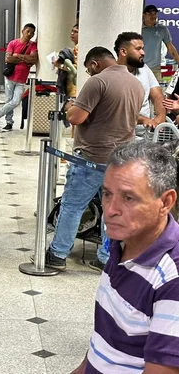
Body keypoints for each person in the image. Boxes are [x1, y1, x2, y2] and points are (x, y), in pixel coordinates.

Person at [70, 140, 179, 374]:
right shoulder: (124, 242)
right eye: (107, 194)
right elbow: (105, 341)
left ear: (166, 202)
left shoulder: (172, 279)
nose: (110, 210)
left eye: (128, 198)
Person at [44, 46, 144, 272]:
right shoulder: (136, 84)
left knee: (72, 206)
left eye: (89, 69)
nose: (89, 74)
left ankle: (58, 254)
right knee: (112, 208)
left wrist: (71, 106)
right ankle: (106, 257)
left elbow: (77, 118)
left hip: (92, 157)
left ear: (94, 64)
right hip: (121, 159)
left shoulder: (98, 82)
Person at [114, 32, 166, 138]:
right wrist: (143, 120)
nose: (143, 53)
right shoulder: (111, 76)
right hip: (120, 136)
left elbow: (157, 96)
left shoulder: (144, 69)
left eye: (143, 48)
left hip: (144, 134)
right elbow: (118, 112)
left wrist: (160, 116)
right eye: (138, 49)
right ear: (123, 51)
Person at [0, 23, 38, 132]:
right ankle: (9, 122)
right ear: (23, 31)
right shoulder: (13, 43)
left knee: (16, 101)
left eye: (32, 33)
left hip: (22, 79)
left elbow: (33, 59)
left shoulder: (33, 45)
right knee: (8, 99)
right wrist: (25, 59)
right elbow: (8, 59)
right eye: (28, 31)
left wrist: (17, 56)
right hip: (10, 76)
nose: (30, 34)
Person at [142, 5, 179, 81]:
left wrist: (178, 61)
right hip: (140, 67)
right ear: (144, 15)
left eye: (155, 13)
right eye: (150, 13)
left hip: (156, 68)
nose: (153, 16)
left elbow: (170, 47)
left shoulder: (162, 29)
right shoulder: (138, 28)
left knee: (157, 92)